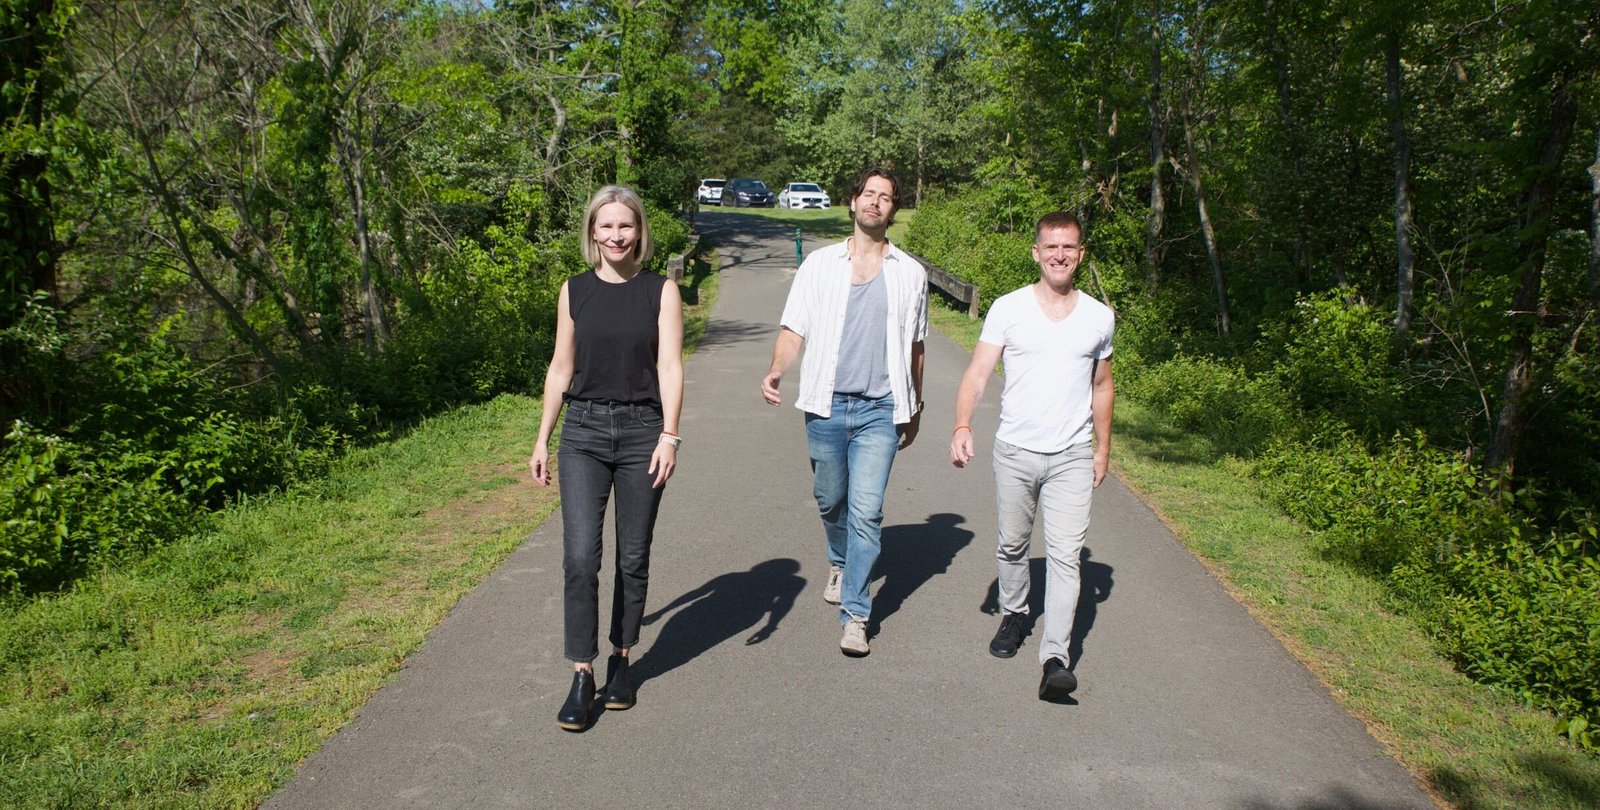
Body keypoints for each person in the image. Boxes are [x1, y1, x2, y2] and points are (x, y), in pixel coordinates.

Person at [530, 185, 684, 731]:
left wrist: (670, 434)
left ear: (639, 231)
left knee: (632, 556)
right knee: (579, 557)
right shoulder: (573, 291)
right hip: (584, 432)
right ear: (592, 232)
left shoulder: (660, 291)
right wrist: (542, 438)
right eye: (606, 226)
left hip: (644, 432)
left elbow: (669, 367)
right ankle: (582, 671)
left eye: (626, 226)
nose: (616, 236)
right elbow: (559, 368)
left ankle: (622, 660)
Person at [761, 167, 929, 657]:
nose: (876, 202)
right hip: (826, 405)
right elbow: (795, 328)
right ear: (852, 202)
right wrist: (775, 370)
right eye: (868, 194)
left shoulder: (911, 274)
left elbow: (916, 347)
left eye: (886, 197)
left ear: (894, 209)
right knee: (831, 499)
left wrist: (915, 405)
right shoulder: (819, 265)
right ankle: (839, 560)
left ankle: (856, 614)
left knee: (867, 511)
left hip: (881, 409)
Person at [949, 211, 1114, 701]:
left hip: (1071, 454)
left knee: (1065, 557)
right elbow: (978, 372)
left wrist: (1103, 449)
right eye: (1051, 247)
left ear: (1080, 254)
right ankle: (1015, 614)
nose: (1059, 255)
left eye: (1069, 247)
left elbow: (1102, 386)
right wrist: (962, 424)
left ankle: (1056, 657)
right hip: (1016, 451)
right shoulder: (1009, 308)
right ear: (1036, 252)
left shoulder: (1099, 317)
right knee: (1012, 545)